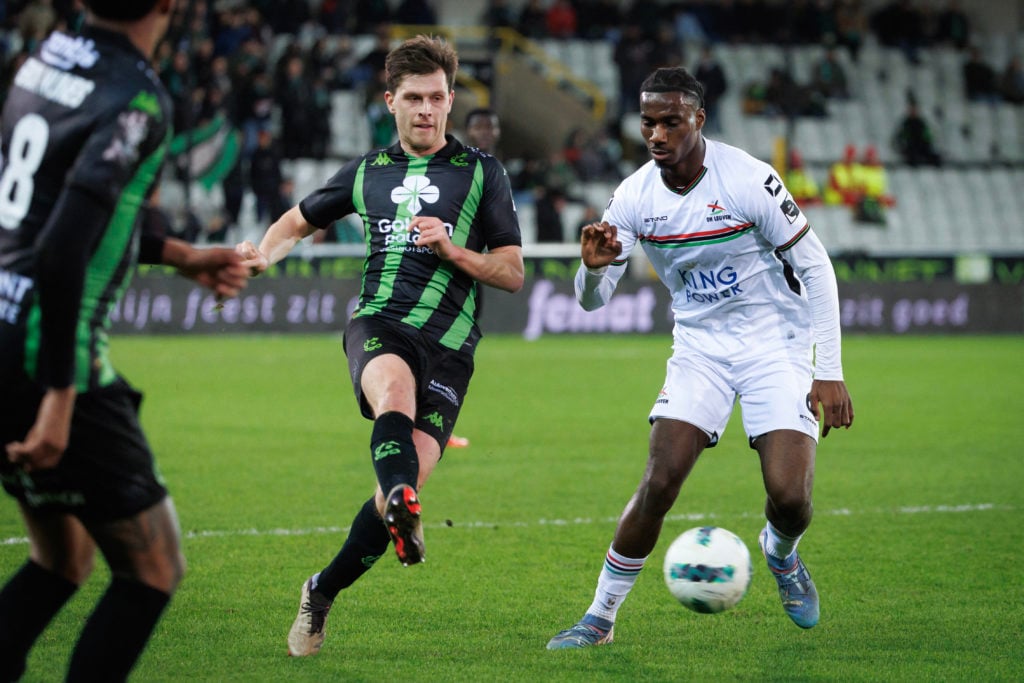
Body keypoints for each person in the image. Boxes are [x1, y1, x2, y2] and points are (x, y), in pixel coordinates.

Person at [235, 34, 524, 658]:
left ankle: (324, 587)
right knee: (392, 392)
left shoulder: (482, 173)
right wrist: (262, 254)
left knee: (410, 469)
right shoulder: (367, 172)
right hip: (380, 323)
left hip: (451, 346)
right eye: (414, 97)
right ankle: (401, 502)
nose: (427, 109)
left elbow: (510, 271)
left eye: (438, 98)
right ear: (390, 101)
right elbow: (296, 221)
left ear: (450, 102)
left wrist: (451, 249)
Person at [546, 66, 854, 650]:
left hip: (775, 345)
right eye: (648, 123)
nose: (657, 134)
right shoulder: (633, 196)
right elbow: (594, 302)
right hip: (699, 350)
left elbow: (816, 267)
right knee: (660, 481)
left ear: (698, 120)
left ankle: (780, 555)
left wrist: (828, 370)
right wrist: (589, 271)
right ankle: (599, 618)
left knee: (790, 499)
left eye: (670, 121)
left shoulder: (748, 179)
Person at [0, 1, 250, 680]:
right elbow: (59, 252)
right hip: (48, 356)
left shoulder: (45, 59)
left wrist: (181, 254)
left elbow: (54, 212)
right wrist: (60, 398)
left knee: (62, 560)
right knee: (153, 568)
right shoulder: (138, 98)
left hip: (2, 331)